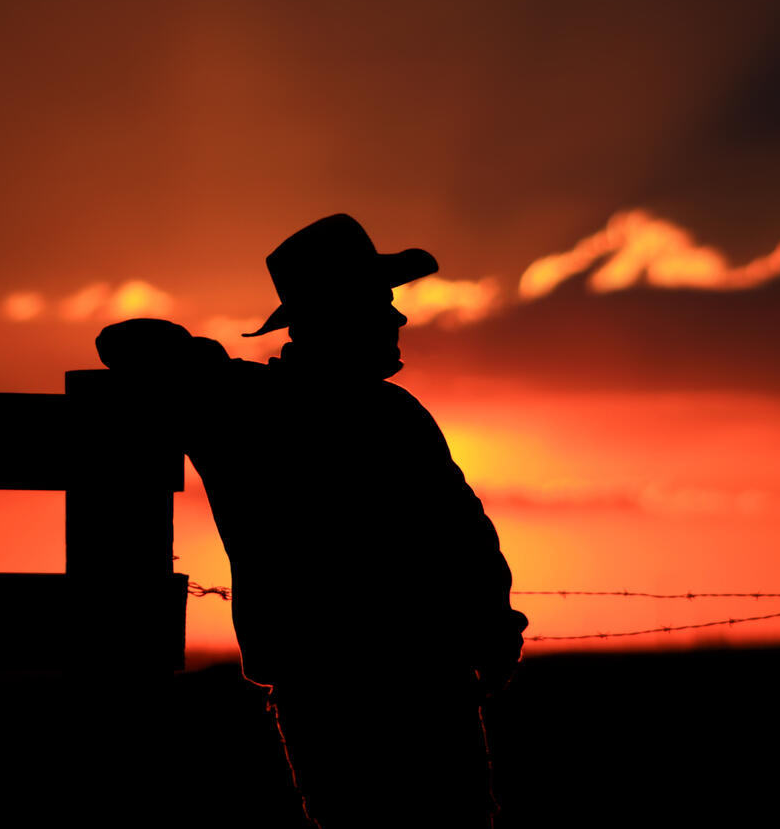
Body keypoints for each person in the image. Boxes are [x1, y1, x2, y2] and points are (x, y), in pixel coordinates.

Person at [95, 214, 528, 828]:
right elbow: (463, 534)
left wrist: (206, 367)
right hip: (418, 680)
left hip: (325, 681)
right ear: (343, 312)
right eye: (381, 303)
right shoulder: (377, 413)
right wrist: (495, 631)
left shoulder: (238, 406)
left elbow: (126, 344)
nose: (398, 318)